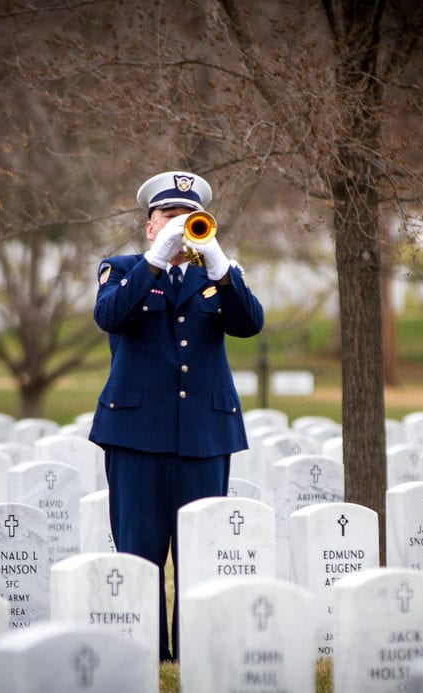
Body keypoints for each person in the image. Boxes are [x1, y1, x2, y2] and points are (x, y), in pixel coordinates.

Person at [88, 170, 264, 661]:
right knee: (139, 552)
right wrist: (155, 262)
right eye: (169, 216)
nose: (180, 224)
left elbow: (249, 325)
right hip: (137, 436)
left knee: (201, 554)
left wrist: (221, 270)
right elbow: (109, 316)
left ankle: (191, 654)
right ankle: (145, 652)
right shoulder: (121, 270)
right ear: (150, 225)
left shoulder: (220, 275)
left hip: (204, 436)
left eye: (191, 217)